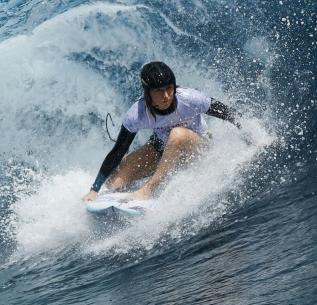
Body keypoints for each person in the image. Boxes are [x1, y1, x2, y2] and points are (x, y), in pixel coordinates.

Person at [81, 61, 241, 202]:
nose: (166, 96)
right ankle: (141, 190)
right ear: (147, 92)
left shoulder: (191, 98)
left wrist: (255, 135)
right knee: (114, 183)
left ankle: (150, 188)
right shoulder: (137, 114)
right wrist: (94, 189)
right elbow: (118, 150)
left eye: (169, 88)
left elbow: (231, 114)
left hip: (198, 147)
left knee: (177, 134)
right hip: (162, 148)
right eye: (158, 91)